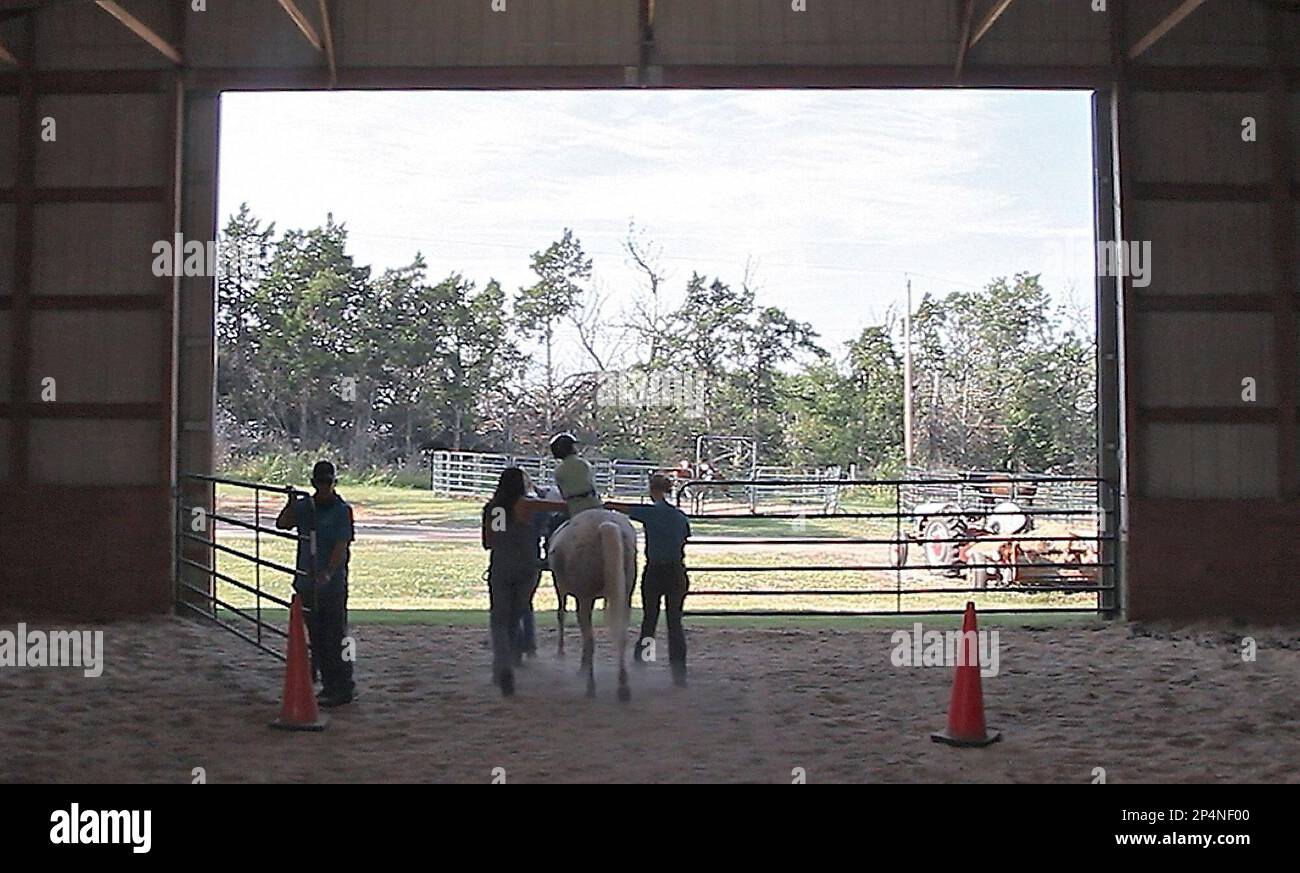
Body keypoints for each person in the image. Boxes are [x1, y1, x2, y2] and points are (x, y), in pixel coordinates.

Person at [276, 460, 356, 707]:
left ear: (334, 483)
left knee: (338, 635)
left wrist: (329, 572)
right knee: (317, 636)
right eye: (320, 482)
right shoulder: (305, 507)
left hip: (332, 585)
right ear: (313, 483)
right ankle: (325, 682)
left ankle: (343, 684)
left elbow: (341, 546)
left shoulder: (342, 511)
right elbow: (282, 523)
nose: (324, 487)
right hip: (307, 582)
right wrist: (290, 501)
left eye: (328, 482)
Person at [608, 473, 692, 686]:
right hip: (676, 571)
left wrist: (607, 504)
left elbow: (625, 508)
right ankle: (679, 672)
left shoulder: (651, 513)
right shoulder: (680, 516)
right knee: (675, 622)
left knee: (650, 620)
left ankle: (644, 662)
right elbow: (684, 537)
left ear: (652, 490)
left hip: (655, 571)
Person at [481, 467, 543, 696]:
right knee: (516, 617)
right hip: (527, 567)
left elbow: (490, 542)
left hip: (502, 566)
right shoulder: (530, 506)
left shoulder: (494, 508)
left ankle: (503, 665)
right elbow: (559, 509)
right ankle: (512, 658)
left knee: (499, 620)